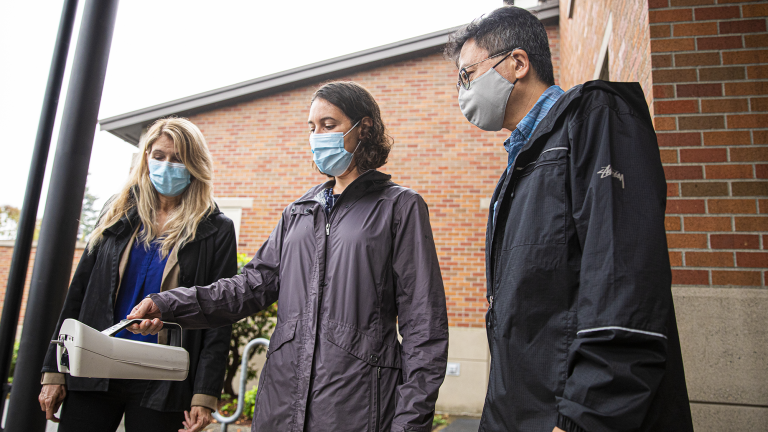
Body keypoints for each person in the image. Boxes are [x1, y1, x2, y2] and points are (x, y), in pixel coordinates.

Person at [128, 81, 449, 432]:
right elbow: (247, 288)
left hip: (357, 407)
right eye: (312, 128)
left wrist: (410, 423)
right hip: (281, 402)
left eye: (329, 125)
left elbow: (424, 325)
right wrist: (169, 305)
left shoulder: (399, 207)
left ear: (364, 128)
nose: (317, 136)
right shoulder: (298, 212)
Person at [444, 6, 693, 432]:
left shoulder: (595, 118)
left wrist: (584, 418)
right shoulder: (520, 167)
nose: (462, 90)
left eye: (468, 75)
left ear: (518, 63)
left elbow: (623, 288)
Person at [39, 118, 236, 432]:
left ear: (194, 164)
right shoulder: (116, 211)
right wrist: (54, 370)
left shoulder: (215, 228)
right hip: (95, 362)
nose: (166, 165)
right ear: (146, 157)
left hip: (164, 375)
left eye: (177, 158)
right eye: (159, 156)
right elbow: (78, 293)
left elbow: (218, 313)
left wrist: (205, 393)